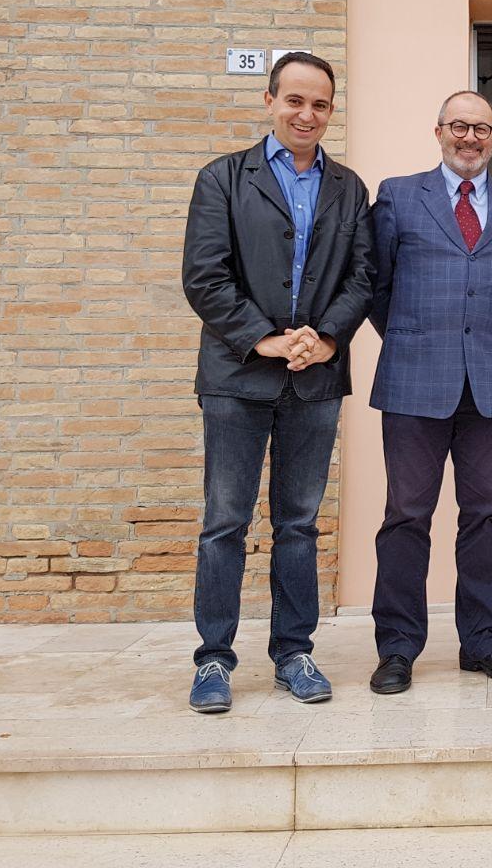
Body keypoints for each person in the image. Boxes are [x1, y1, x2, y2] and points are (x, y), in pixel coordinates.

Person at [181, 51, 374, 713]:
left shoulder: (349, 188)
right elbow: (205, 276)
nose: (307, 114)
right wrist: (263, 338)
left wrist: (324, 339)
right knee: (224, 523)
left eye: (320, 104)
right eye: (295, 101)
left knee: (298, 524)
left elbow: (362, 278)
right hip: (237, 377)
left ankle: (294, 653)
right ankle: (213, 660)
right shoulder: (222, 179)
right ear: (270, 101)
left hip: (315, 380)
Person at [364, 90, 492, 695]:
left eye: (483, 129)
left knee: (489, 517)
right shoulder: (396, 194)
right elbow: (378, 286)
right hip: (415, 378)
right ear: (438, 131)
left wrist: (478, 340)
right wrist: (418, 338)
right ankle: (397, 648)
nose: (470, 138)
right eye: (459, 126)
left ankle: (484, 641)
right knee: (407, 516)